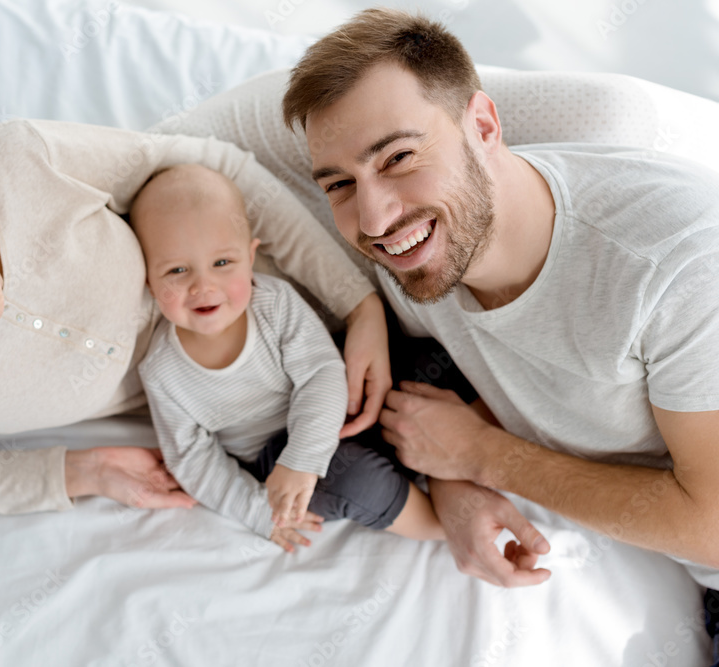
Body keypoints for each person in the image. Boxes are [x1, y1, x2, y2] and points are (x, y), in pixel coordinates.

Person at [282, 6, 719, 653]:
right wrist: (454, 482)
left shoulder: (675, 263)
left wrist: (482, 456)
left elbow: (713, 524)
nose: (373, 215)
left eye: (399, 156)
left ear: (483, 125)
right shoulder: (420, 251)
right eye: (340, 183)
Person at [0, 114, 390, 521]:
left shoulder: (21, 161)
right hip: (235, 417)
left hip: (292, 313)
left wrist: (357, 303)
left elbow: (207, 168)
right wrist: (79, 472)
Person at [131, 164, 444, 551]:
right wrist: (259, 509)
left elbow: (322, 374)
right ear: (149, 282)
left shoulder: (273, 303)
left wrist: (306, 454)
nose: (203, 286)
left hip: (334, 404)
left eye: (222, 263)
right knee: (352, 482)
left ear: (250, 256)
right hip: (275, 459)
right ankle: (441, 526)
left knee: (425, 361)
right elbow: (193, 459)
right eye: (177, 270)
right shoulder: (163, 371)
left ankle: (460, 465)